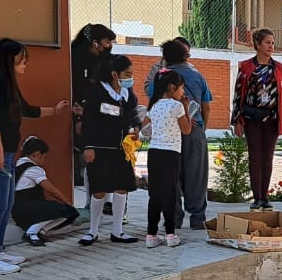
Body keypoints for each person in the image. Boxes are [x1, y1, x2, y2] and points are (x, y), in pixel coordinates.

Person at [0, 38, 69, 275]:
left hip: (5, 152)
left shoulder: (8, 83)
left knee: (6, 204)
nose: (25, 62)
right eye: (22, 58)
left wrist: (54, 111)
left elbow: (26, 109)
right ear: (10, 59)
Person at [147, 39, 213, 230]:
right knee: (197, 176)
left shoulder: (161, 77)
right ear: (186, 56)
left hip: (168, 132)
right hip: (194, 130)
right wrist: (202, 127)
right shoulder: (197, 76)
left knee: (171, 176)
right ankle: (198, 217)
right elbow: (206, 105)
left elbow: (153, 98)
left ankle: (174, 218)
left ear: (165, 58)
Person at [77, 54, 143, 245]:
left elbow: (133, 116)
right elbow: (88, 121)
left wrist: (136, 127)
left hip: (121, 149)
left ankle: (117, 231)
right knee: (99, 190)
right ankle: (93, 231)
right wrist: (88, 146)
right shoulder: (97, 92)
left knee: (122, 188)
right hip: (99, 148)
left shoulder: (128, 95)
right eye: (127, 73)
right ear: (114, 74)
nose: (130, 77)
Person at [232, 28, 282, 211]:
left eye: (273, 43)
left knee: (268, 158)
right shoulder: (246, 67)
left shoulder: (280, 69)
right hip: (252, 118)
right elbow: (238, 94)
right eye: (267, 42)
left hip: (273, 119)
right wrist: (237, 120)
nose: (271, 46)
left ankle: (265, 197)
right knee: (255, 158)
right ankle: (256, 197)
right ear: (257, 45)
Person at [145, 70, 192, 248]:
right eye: (181, 88)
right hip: (171, 153)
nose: (183, 93)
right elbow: (186, 129)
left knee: (154, 193)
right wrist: (186, 107)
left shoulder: (154, 106)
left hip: (154, 152)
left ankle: (151, 234)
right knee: (170, 193)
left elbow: (145, 128)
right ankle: (170, 234)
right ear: (172, 88)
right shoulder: (177, 106)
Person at [71, 23, 116, 209]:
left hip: (102, 114)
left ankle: (109, 201)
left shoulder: (105, 61)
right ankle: (94, 202)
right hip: (85, 113)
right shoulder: (77, 60)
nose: (109, 46)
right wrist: (82, 117)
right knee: (91, 160)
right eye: (107, 42)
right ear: (95, 42)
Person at [12, 136, 80, 245]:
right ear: (38, 154)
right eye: (44, 156)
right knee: (68, 211)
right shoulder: (34, 169)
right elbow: (52, 191)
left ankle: (40, 231)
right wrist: (68, 203)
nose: (44, 160)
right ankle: (32, 232)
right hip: (27, 209)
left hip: (17, 210)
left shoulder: (17, 164)